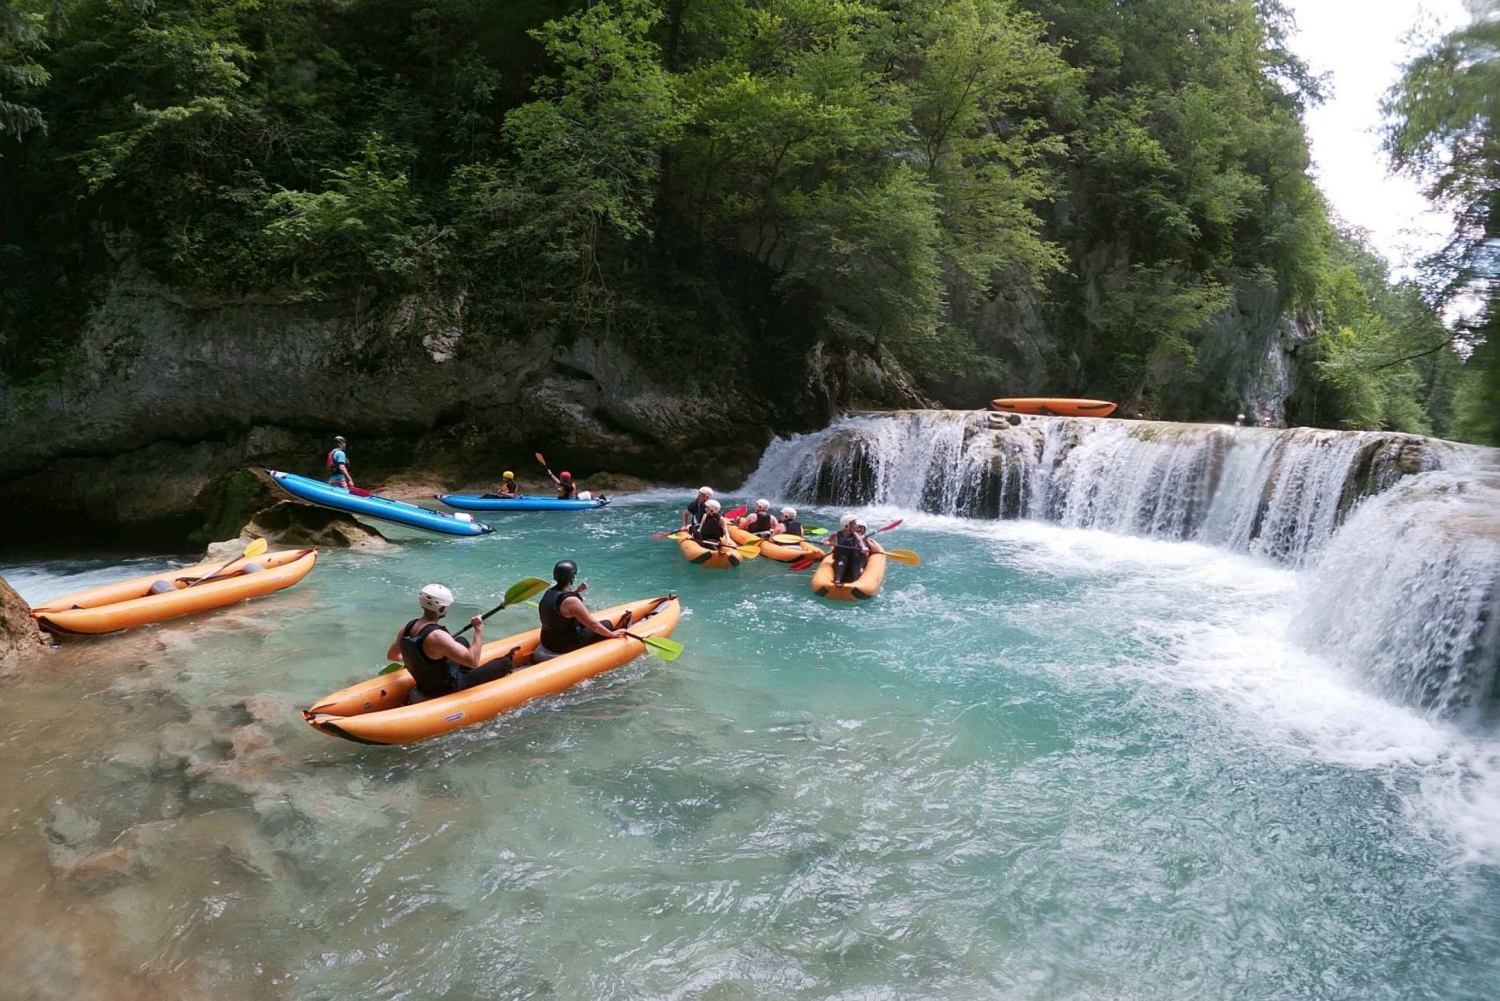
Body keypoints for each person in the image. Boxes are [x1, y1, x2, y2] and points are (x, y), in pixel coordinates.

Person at [386, 584, 520, 700]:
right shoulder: (438, 636)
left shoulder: (406, 628)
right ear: (441, 609)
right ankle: (468, 677)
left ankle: (465, 672)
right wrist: (478, 630)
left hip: (425, 682)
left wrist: (417, 661)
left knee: (460, 641)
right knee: (503, 663)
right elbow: (473, 662)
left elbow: (392, 656)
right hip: (446, 687)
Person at [533, 560, 634, 662]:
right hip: (564, 645)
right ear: (571, 578)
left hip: (547, 640)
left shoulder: (549, 592)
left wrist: (576, 591)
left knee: (588, 626)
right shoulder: (572, 601)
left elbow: (561, 605)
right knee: (607, 624)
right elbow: (593, 624)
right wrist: (613, 634)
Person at [830, 513, 883, 586]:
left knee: (856, 557)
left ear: (864, 530)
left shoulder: (867, 540)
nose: (859, 529)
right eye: (858, 527)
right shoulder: (842, 536)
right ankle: (838, 579)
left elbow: (878, 551)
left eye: (861, 528)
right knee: (842, 558)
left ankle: (856, 579)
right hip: (844, 562)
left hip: (857, 563)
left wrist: (865, 542)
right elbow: (833, 547)